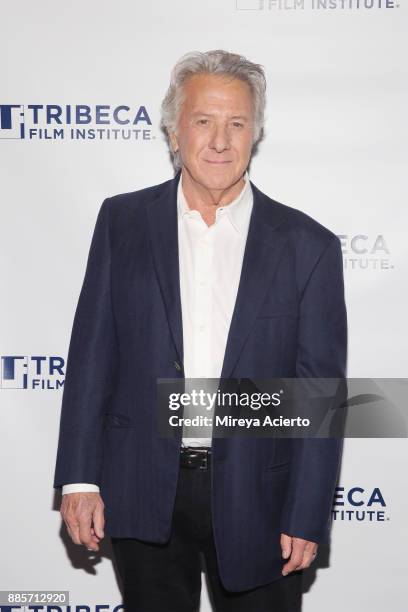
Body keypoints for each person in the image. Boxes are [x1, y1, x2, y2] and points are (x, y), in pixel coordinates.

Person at [53, 49, 347, 612]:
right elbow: (92, 356)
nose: (220, 140)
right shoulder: (122, 222)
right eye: (204, 121)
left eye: (237, 123)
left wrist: (308, 512)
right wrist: (78, 479)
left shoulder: (308, 247)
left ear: (255, 134)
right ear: (173, 131)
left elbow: (319, 398)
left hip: (261, 498)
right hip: (140, 486)